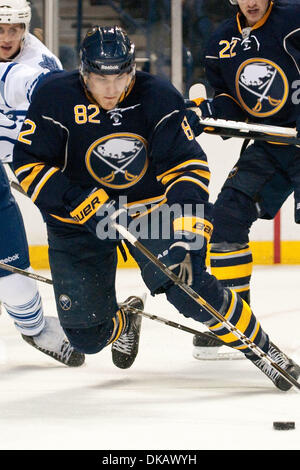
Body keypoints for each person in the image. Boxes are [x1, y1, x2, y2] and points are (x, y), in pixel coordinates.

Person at [12, 24, 300, 390]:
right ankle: (126, 319)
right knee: (87, 337)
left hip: (148, 209)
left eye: (120, 77)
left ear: (132, 69)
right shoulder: (54, 97)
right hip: (76, 220)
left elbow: (187, 167)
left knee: (189, 287)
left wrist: (185, 232)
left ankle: (265, 350)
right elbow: (28, 163)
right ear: (83, 72)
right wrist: (73, 199)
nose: (112, 90)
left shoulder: (158, 96)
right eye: (101, 79)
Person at [187, 0, 300, 359]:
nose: (251, 1)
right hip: (270, 145)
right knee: (226, 220)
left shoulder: (295, 16)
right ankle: (237, 324)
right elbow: (229, 102)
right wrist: (206, 112)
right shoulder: (222, 40)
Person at [0, 0, 84, 366]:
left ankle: (35, 325)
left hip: (27, 155)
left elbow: (60, 108)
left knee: (9, 260)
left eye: (15, 29)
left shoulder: (34, 70)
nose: (7, 38)